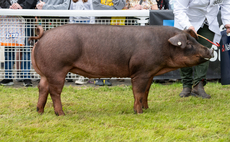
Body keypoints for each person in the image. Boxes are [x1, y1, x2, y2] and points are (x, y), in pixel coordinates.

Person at [174, 0, 230, 99]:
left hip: (208, 23)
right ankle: (186, 85)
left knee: (205, 53)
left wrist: (227, 22)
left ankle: (198, 85)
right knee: (185, 52)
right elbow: (179, 9)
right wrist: (188, 26)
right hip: (187, 21)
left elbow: (226, 3)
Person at [0, 0, 37, 87]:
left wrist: (21, 6)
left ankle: (26, 77)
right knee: (8, 48)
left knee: (26, 49)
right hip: (9, 18)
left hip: (25, 18)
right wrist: (9, 7)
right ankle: (8, 77)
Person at [92, 0, 127, 86]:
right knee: (98, 53)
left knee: (109, 53)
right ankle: (97, 77)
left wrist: (112, 9)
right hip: (100, 24)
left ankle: (107, 76)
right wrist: (114, 9)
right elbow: (96, 7)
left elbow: (122, 4)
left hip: (113, 25)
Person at [69, 0, 94, 85]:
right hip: (76, 24)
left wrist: (91, 27)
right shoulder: (73, 1)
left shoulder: (89, 1)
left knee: (85, 50)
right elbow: (71, 12)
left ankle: (84, 75)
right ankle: (77, 73)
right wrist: (71, 25)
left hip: (86, 24)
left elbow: (92, 13)